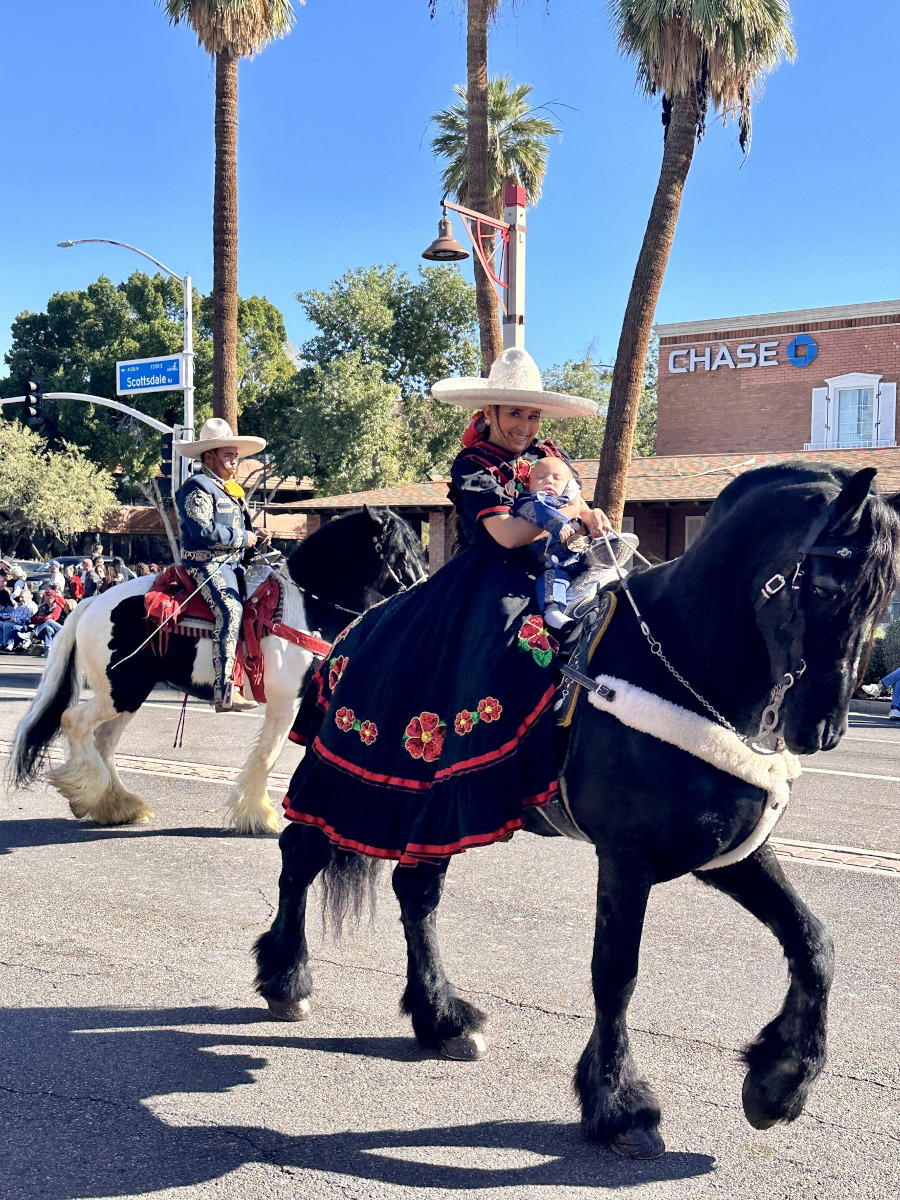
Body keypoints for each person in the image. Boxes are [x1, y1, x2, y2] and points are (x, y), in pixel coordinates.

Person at [281, 346, 609, 865]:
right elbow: (503, 534)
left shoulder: (549, 455)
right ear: (491, 413)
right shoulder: (474, 462)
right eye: (514, 413)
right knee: (518, 642)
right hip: (489, 578)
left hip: (561, 564)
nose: (524, 425)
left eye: (531, 414)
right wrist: (568, 512)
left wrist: (589, 517)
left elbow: (579, 503)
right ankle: (516, 769)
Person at [172, 418, 271, 713]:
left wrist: (257, 537)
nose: (234, 460)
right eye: (228, 455)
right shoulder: (195, 488)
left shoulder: (230, 490)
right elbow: (203, 532)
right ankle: (225, 690)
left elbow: (238, 531)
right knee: (231, 609)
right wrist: (245, 537)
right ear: (209, 456)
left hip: (235, 566)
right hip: (205, 565)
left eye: (235, 455)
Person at [512, 456, 593, 629]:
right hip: (552, 562)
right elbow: (540, 513)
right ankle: (553, 611)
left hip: (581, 558)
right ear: (529, 483)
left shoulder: (572, 501)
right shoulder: (531, 502)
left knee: (598, 571)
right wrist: (559, 524)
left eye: (557, 478)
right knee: (552, 579)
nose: (548, 480)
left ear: (569, 484)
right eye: (540, 477)